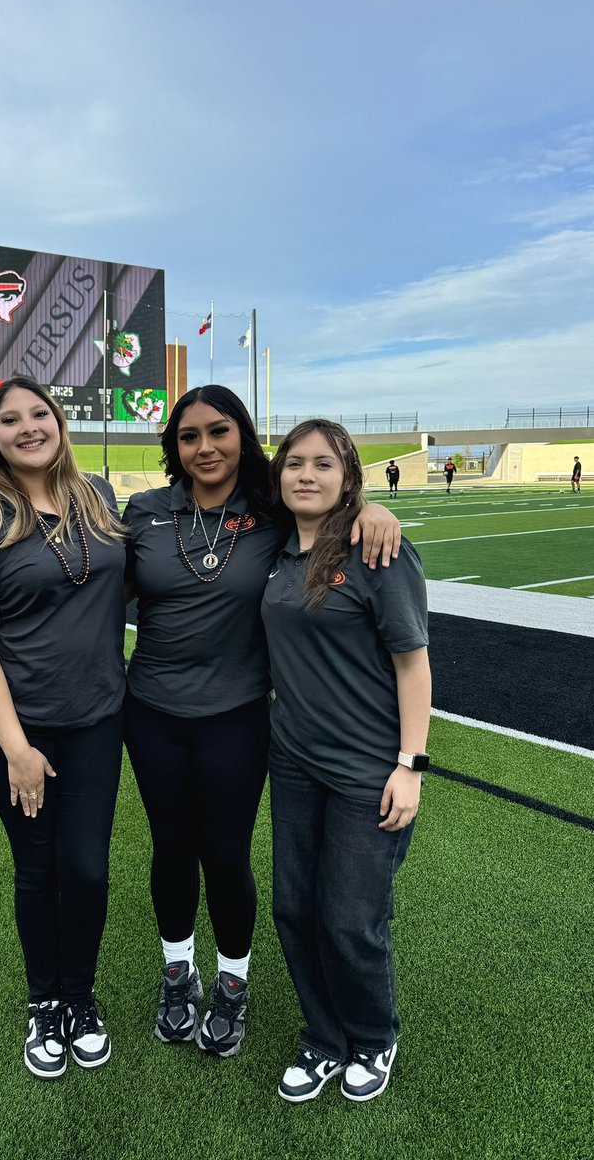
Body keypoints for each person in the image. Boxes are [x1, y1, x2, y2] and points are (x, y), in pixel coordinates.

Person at [122, 386, 401, 1058]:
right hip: (152, 711)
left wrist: (373, 506)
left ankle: (232, 986)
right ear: (174, 448)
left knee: (224, 855)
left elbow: (327, 499)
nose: (205, 447)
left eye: (220, 431)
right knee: (170, 850)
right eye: (189, 437)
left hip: (239, 717)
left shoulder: (271, 512)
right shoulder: (145, 511)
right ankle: (176, 975)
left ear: (243, 437)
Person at [0, 377, 127, 1081]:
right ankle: (44, 1002)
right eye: (9, 420)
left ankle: (81, 998)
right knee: (39, 867)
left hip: (99, 720)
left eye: (38, 414)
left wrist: (365, 509)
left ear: (59, 422)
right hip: (14, 731)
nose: (26, 427)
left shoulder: (99, 499)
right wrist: (18, 749)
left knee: (87, 868)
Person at [262, 419, 430, 1104]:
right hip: (294, 764)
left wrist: (410, 765)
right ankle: (324, 1038)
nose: (306, 474)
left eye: (323, 464)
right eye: (294, 462)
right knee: (294, 909)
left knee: (350, 917)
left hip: (368, 769)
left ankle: (373, 1035)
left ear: (348, 478)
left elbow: (413, 665)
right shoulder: (274, 551)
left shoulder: (377, 551)